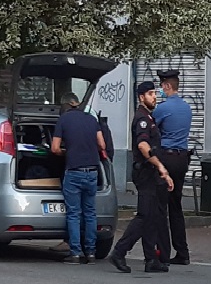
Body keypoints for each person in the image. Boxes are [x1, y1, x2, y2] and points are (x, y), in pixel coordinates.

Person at [107, 81, 174, 274]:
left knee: (152, 216)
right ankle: (119, 252)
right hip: (145, 173)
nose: (154, 97)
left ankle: (151, 259)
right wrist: (160, 166)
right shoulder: (142, 119)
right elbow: (143, 146)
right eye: (150, 94)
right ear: (141, 97)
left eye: (155, 93)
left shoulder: (149, 117)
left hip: (150, 173)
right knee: (144, 216)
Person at [51, 93, 107, 264]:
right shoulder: (91, 119)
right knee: (90, 213)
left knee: (74, 214)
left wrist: (66, 152)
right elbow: (102, 145)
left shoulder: (63, 120)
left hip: (74, 172)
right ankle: (91, 253)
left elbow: (54, 148)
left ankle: (75, 253)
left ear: (65, 106)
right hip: (92, 172)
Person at [153, 69, 192, 265]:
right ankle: (182, 252)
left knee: (160, 206)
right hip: (182, 159)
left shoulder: (162, 108)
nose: (160, 89)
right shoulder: (187, 108)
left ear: (167, 86)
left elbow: (152, 130)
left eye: (162, 86)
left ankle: (163, 252)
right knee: (176, 206)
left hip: (166, 159)